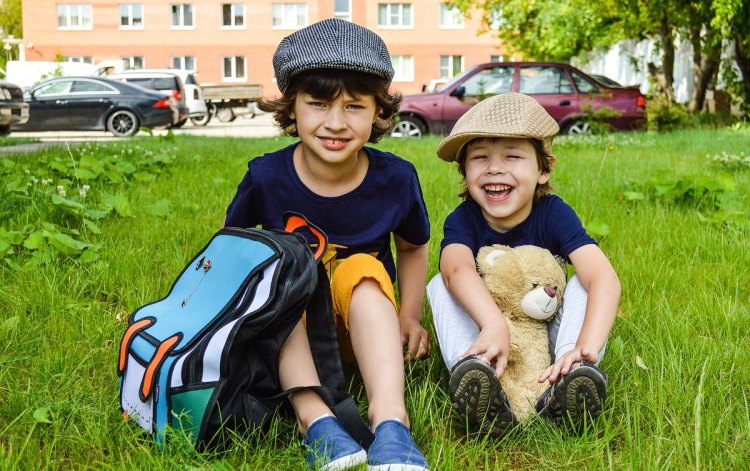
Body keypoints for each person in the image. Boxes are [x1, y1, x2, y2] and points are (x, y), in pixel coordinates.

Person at [224, 19, 431, 471]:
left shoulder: (396, 179)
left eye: (354, 106)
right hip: (288, 338)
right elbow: (232, 256)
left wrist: (409, 315)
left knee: (360, 269)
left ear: (378, 110)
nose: (335, 123)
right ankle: (313, 419)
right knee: (283, 276)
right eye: (318, 103)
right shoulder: (266, 177)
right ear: (292, 107)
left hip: (365, 334)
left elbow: (412, 247)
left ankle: (390, 420)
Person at [426, 92, 621, 435]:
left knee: (583, 282)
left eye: (512, 156)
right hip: (489, 333)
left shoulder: (554, 214)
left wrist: (585, 346)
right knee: (441, 282)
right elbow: (455, 268)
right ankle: (474, 372)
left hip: (545, 336)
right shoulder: (464, 219)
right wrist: (492, 324)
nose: (494, 168)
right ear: (465, 171)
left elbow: (604, 279)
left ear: (544, 169)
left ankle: (571, 375)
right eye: (480, 157)